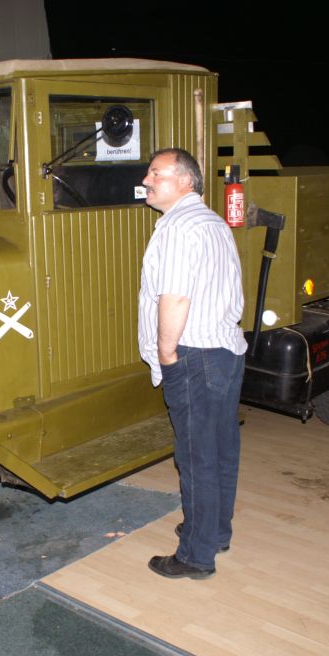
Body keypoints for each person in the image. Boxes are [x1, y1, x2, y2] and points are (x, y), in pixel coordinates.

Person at [138, 148, 247, 580]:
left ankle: (196, 556)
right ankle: (214, 531)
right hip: (225, 351)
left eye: (156, 173)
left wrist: (167, 353)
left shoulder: (179, 227)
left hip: (193, 354)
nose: (147, 180)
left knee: (195, 455)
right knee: (220, 449)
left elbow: (177, 296)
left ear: (185, 180)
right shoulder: (212, 222)